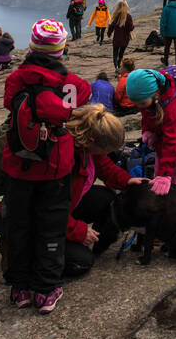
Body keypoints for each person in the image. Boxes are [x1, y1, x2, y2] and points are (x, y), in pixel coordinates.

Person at [1, 20, 91, 315]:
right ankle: (46, 290)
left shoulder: (16, 80)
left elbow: (8, 103)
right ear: (62, 50)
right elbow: (84, 96)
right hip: (55, 166)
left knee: (19, 225)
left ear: (30, 48)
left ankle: (20, 287)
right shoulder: (71, 84)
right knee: (51, 225)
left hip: (19, 165)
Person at [60, 105, 147, 277]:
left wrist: (128, 180)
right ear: (93, 141)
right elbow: (48, 207)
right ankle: (20, 249)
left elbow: (106, 168)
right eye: (106, 150)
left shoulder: (87, 146)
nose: (107, 154)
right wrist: (78, 231)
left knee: (106, 197)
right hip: (42, 218)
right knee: (81, 263)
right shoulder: (65, 158)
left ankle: (94, 238)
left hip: (66, 208)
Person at [125, 68, 176, 198]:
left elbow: (173, 144)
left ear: (155, 93)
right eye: (136, 104)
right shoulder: (148, 101)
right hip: (161, 139)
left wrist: (164, 175)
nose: (140, 107)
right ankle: (161, 183)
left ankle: (172, 197)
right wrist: (147, 131)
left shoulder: (172, 108)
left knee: (172, 178)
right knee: (159, 168)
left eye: (141, 103)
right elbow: (146, 116)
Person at [109, 0, 134, 72]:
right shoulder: (128, 16)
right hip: (125, 39)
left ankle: (116, 67)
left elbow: (111, 26)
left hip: (117, 39)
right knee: (121, 54)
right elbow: (131, 28)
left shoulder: (116, 16)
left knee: (115, 54)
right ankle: (119, 65)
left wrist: (109, 33)